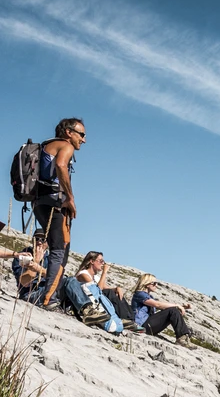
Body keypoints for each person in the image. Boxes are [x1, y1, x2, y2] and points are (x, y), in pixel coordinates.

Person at [34, 118, 86, 308]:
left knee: (58, 247)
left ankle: (48, 295)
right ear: (69, 132)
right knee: (59, 250)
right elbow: (61, 165)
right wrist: (70, 198)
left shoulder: (46, 145)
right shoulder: (66, 145)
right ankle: (49, 299)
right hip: (54, 203)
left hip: (39, 201)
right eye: (81, 134)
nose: (84, 140)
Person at [131, 273, 194, 347]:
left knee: (173, 311)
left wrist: (182, 307)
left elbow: (164, 309)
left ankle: (184, 338)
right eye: (154, 283)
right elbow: (157, 305)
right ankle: (181, 339)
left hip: (148, 326)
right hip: (141, 326)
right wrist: (177, 305)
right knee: (172, 310)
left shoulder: (149, 297)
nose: (156, 285)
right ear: (147, 284)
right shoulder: (139, 294)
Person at [76, 251, 135, 323]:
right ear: (92, 261)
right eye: (101, 261)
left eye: (103, 261)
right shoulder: (83, 274)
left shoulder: (96, 277)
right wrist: (104, 272)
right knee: (109, 293)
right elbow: (97, 290)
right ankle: (125, 318)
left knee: (116, 293)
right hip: (89, 301)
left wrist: (117, 289)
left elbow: (106, 287)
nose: (103, 263)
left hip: (97, 300)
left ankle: (131, 319)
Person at [11, 230, 48, 303]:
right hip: (29, 294)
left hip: (47, 291)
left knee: (69, 281)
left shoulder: (51, 259)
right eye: (37, 239)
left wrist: (42, 270)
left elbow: (56, 279)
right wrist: (36, 262)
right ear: (32, 240)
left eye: (43, 240)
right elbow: (24, 283)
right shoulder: (23, 255)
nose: (39, 242)